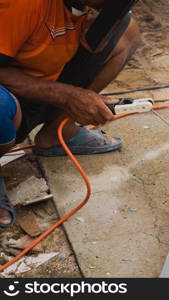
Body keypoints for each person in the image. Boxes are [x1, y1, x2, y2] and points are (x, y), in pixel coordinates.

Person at [0, 0, 141, 227]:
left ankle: (58, 132)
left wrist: (98, 17)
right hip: (10, 97)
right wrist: (69, 96)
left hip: (43, 82)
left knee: (125, 30)